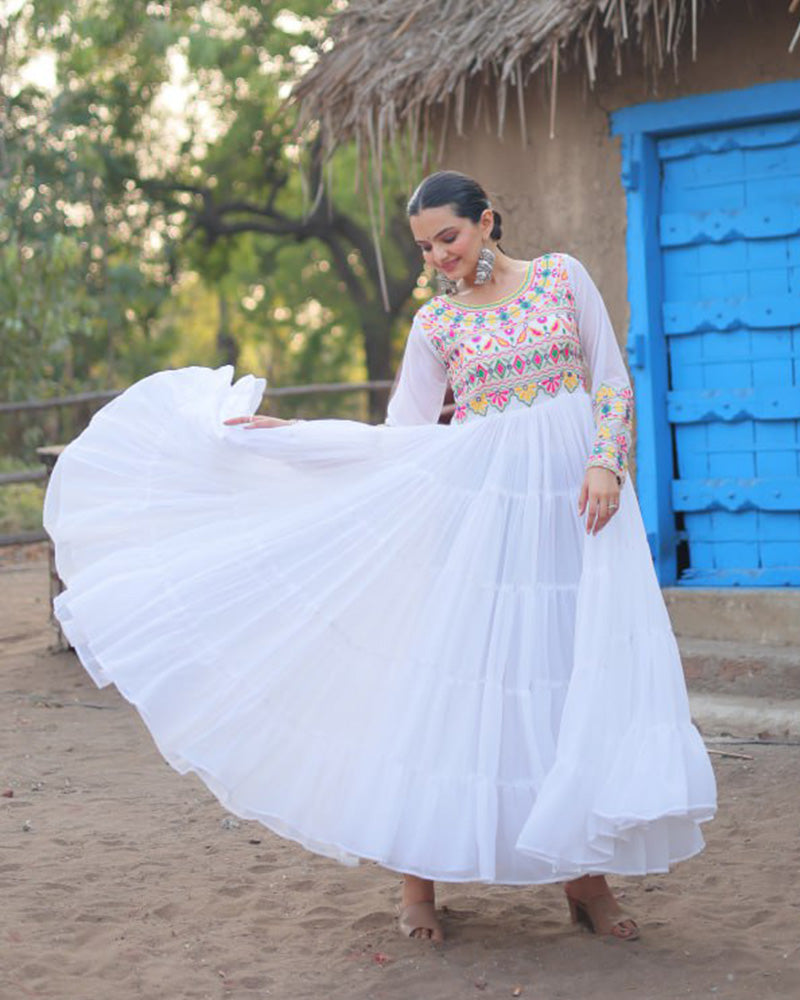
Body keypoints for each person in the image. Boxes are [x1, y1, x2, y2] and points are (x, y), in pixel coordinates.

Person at [43, 170, 717, 949]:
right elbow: (400, 442)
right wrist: (290, 440)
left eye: (449, 237)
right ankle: (417, 879)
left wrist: (606, 460)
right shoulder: (437, 325)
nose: (438, 256)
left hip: (578, 515)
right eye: (425, 247)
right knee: (460, 690)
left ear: (487, 221)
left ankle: (584, 879)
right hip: (483, 527)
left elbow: (609, 379)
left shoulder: (563, 278)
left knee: (571, 678)